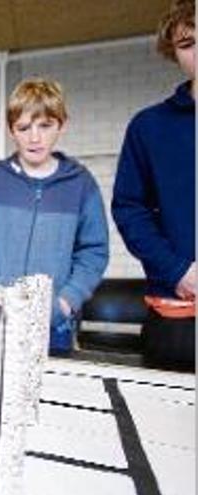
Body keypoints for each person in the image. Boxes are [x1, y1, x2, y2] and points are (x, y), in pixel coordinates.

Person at [0, 78, 109, 354]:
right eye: (24, 128)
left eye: (45, 125)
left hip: (54, 328)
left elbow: (94, 251)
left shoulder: (81, 184)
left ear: (62, 125)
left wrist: (64, 303)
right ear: (11, 130)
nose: (34, 137)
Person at [112, 0, 195, 369]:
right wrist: (177, 271)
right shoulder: (148, 127)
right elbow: (129, 209)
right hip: (177, 312)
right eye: (188, 43)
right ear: (173, 52)